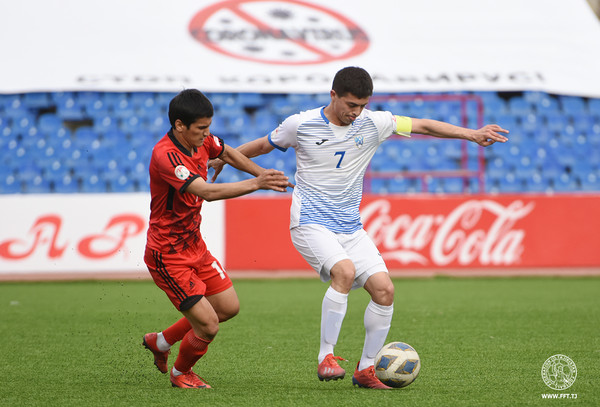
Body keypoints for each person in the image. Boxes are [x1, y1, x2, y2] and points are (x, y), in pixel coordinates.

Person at [210, 67, 509, 389]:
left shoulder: (374, 122)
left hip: (351, 227)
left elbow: (423, 125)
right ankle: (327, 356)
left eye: (362, 105)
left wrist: (471, 134)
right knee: (345, 272)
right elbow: (264, 145)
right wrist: (224, 158)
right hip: (310, 222)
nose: (356, 112)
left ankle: (366, 369)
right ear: (333, 95)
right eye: (351, 105)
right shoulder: (301, 124)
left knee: (385, 290)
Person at [142, 89, 289, 389]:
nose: (207, 134)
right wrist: (256, 183)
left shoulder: (202, 139)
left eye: (209, 127)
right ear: (180, 125)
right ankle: (181, 374)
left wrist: (264, 172)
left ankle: (161, 342)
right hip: (167, 254)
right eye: (201, 129)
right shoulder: (166, 156)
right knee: (208, 325)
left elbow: (227, 151)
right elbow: (207, 193)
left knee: (227, 308)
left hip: (194, 244)